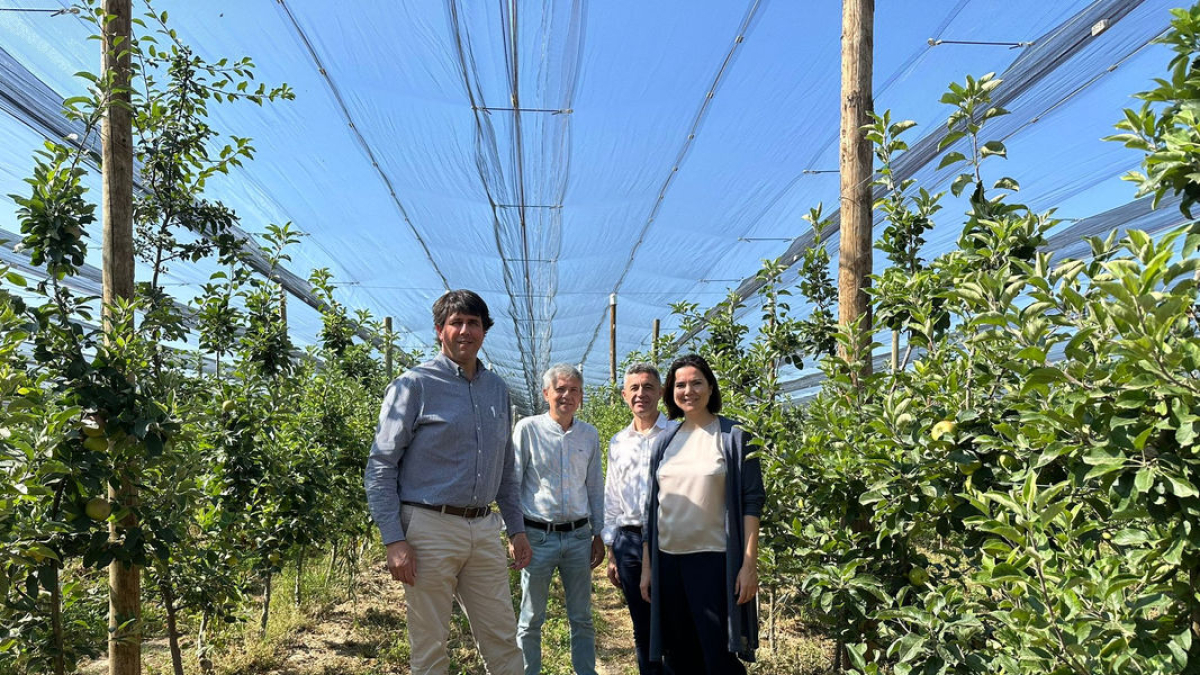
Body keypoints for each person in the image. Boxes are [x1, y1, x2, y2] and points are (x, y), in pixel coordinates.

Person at [363, 289, 530, 675]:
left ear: (484, 331)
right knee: (431, 644)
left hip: (484, 528)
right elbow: (381, 465)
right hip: (429, 527)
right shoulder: (414, 385)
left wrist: (516, 528)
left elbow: (505, 468)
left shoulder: (497, 389)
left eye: (474, 323)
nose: (465, 331)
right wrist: (394, 539)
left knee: (503, 637)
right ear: (440, 330)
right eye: (456, 323)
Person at [639, 354, 764, 674]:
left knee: (718, 656)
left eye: (696, 383)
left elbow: (751, 502)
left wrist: (748, 565)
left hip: (713, 561)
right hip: (668, 561)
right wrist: (648, 567)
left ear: (710, 387)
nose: (688, 391)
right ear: (671, 392)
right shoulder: (665, 441)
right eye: (680, 385)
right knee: (679, 656)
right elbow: (652, 507)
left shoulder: (734, 436)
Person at [513, 364, 605, 675]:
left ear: (581, 396)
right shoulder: (528, 429)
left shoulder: (589, 435)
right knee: (531, 617)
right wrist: (514, 533)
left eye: (574, 390)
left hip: (578, 537)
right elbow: (513, 482)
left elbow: (594, 485)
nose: (567, 395)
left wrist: (598, 533)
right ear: (546, 393)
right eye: (560, 389)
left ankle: (585, 671)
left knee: (582, 617)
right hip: (537, 536)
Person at [602, 363, 676, 675]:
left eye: (648, 387)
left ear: (661, 392)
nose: (640, 394)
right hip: (629, 541)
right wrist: (612, 550)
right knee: (641, 625)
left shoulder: (677, 434)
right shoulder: (619, 442)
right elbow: (612, 496)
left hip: (671, 539)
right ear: (624, 395)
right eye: (634, 388)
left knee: (674, 621)